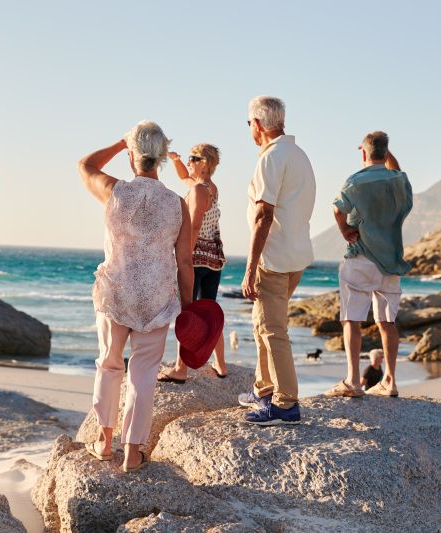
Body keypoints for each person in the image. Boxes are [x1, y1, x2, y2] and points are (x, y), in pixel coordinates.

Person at [79, 121, 193, 473]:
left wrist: (119, 143)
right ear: (160, 157)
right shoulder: (177, 204)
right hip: (156, 299)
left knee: (109, 365)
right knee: (143, 375)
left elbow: (85, 165)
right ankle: (133, 451)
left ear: (133, 156)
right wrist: (190, 308)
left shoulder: (115, 191)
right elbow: (185, 260)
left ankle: (105, 441)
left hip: (116, 293)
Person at [238, 96, 316, 425]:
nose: (249, 130)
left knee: (273, 331)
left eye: (248, 123)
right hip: (296, 254)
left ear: (257, 124)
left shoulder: (272, 158)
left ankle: (285, 404)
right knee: (261, 325)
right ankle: (264, 388)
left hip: (275, 258)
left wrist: (250, 266)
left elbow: (263, 216)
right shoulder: (298, 154)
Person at [327, 131, 412, 398]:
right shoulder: (400, 181)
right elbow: (396, 169)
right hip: (391, 260)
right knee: (387, 321)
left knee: (351, 319)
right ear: (386, 153)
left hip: (361, 257)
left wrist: (344, 231)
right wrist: (387, 154)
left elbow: (337, 208)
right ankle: (390, 380)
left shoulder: (356, 181)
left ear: (363, 153)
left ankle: (353, 381)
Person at [157, 143, 228, 382]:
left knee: (188, 312)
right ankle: (220, 364)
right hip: (213, 258)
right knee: (209, 310)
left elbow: (195, 225)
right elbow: (185, 177)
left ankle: (181, 368)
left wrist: (183, 256)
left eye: (192, 158)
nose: (189, 161)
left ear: (204, 162)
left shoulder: (198, 191)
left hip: (196, 257)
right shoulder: (209, 187)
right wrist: (176, 160)